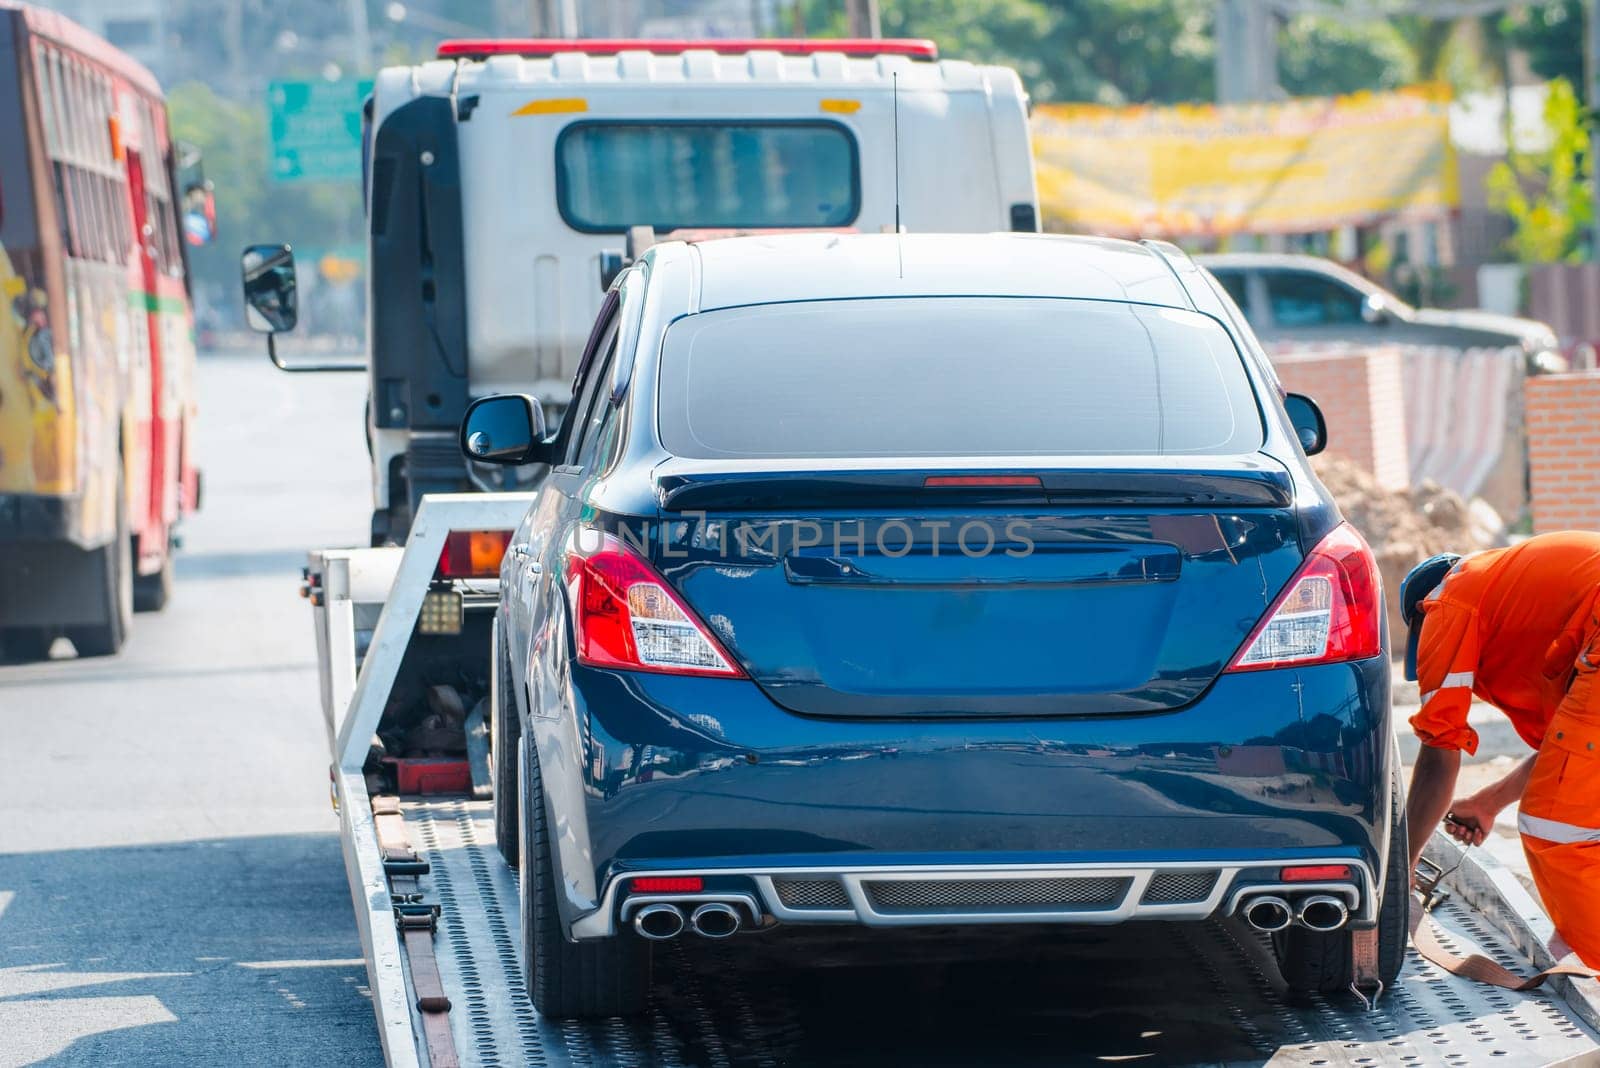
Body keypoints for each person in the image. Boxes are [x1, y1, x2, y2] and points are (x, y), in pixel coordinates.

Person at [1401, 532, 1600, 967]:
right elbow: (1565, 755)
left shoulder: (1448, 600)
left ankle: (1592, 956)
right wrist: (1488, 803)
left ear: (1422, 613)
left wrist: (1402, 870)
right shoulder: (1526, 600)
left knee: (1555, 827)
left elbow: (1439, 751)